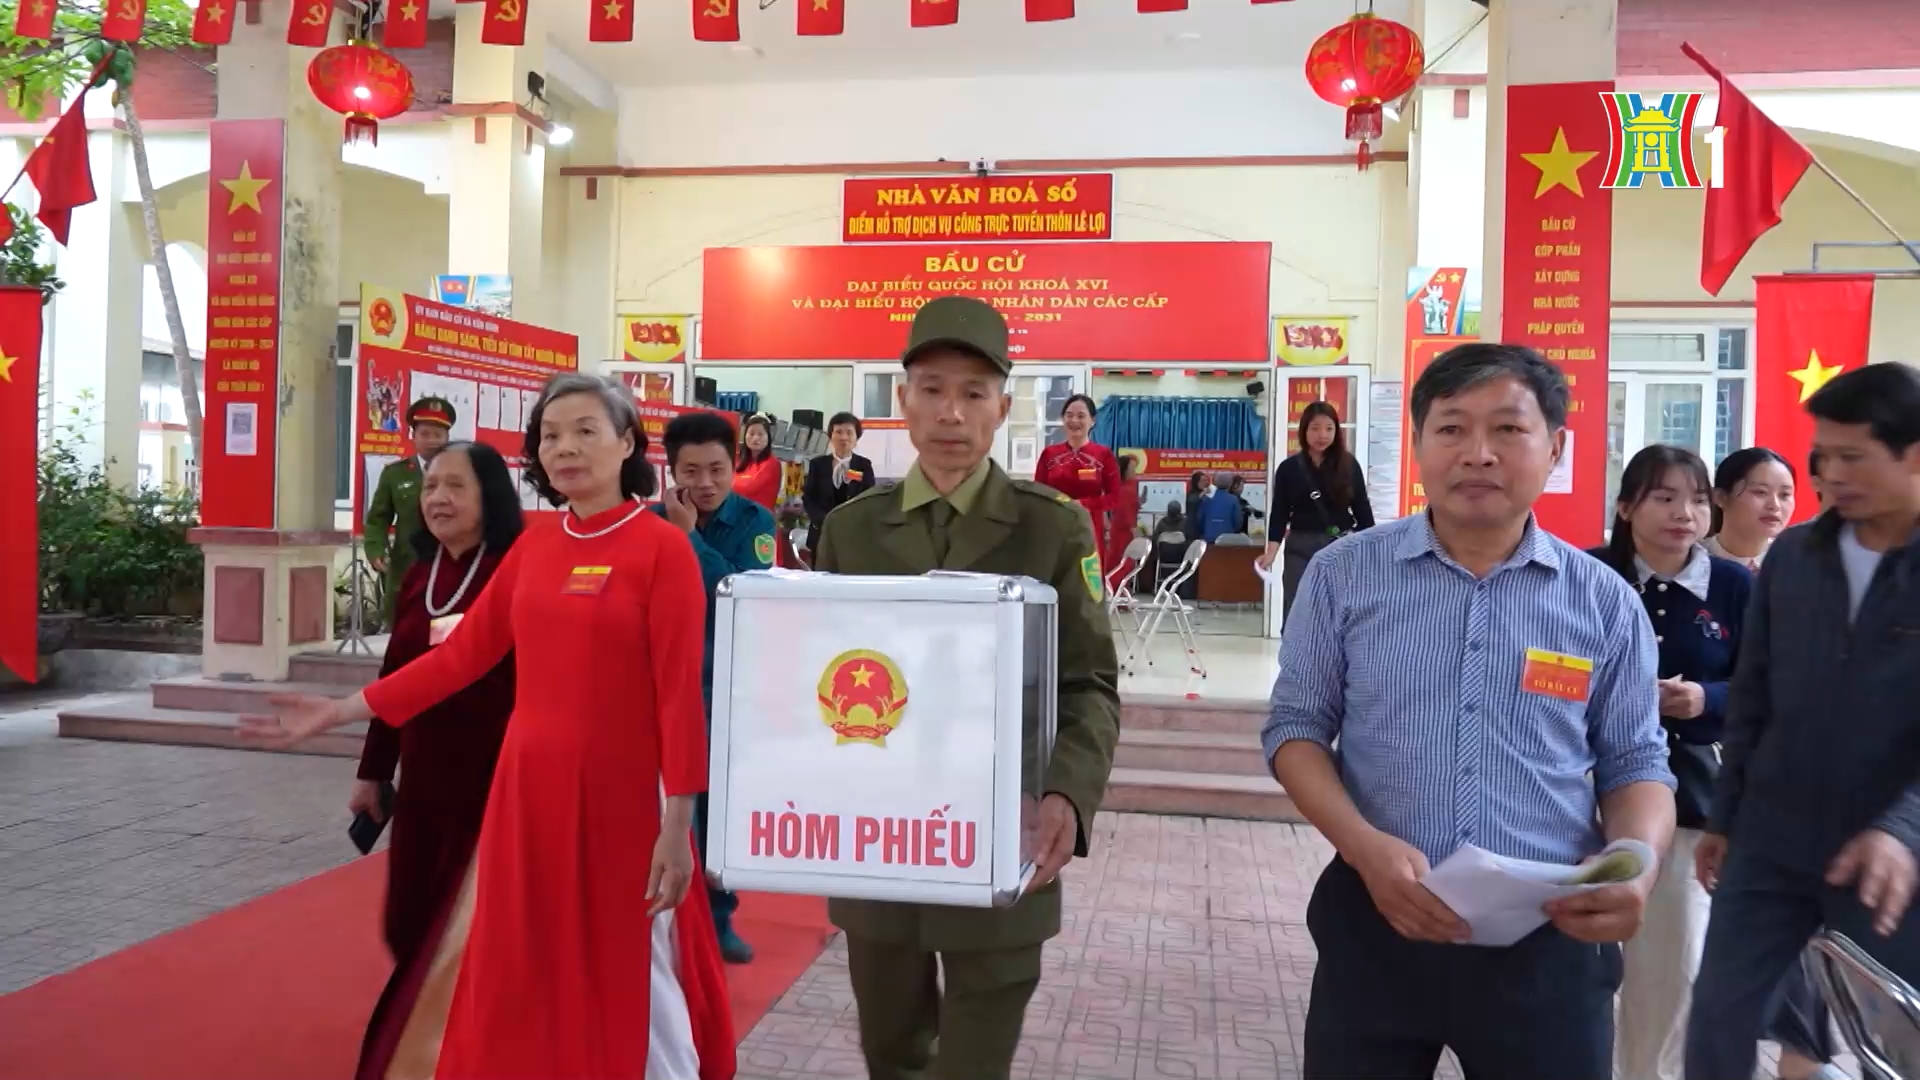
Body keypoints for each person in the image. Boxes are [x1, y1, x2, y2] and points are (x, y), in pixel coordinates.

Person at [241, 373, 734, 1080]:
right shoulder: (535, 547)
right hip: (526, 790)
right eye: (551, 435)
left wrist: (678, 823)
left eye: (585, 431)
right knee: (533, 958)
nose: (565, 448)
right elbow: (459, 659)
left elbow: (679, 696)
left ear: (627, 443)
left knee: (633, 961)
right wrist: (342, 709)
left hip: (624, 795)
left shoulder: (661, 549)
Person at [1262, 342, 1674, 1079]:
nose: (1478, 453)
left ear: (1555, 448)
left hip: (1549, 939)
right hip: (1377, 923)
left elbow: (1636, 760)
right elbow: (1295, 730)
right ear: (1419, 444)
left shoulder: (1604, 601)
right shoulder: (1344, 576)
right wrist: (1362, 846)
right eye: (1452, 428)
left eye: (1508, 429)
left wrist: (1636, 867)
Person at [811, 295, 1121, 1080]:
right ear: (904, 401)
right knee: (890, 1051)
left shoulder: (1051, 526)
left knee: (975, 1063)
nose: (952, 412)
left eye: (974, 392)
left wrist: (1069, 792)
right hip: (880, 841)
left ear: (1002, 409)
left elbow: (1088, 682)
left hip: (1003, 834)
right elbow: (817, 679)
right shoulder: (851, 529)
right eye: (933, 389)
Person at [1686, 363, 1920, 1080]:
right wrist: (1725, 817)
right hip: (1771, 839)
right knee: (1719, 1017)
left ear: (1914, 455)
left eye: (1854, 456)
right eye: (1824, 456)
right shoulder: (1795, 556)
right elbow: (1754, 695)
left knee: (1897, 1038)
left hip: (1888, 855)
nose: (1831, 474)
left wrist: (1902, 830)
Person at [1590, 446, 1836, 1080]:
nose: (1685, 513)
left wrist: (1706, 698)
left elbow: (1771, 683)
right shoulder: (1590, 575)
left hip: (1685, 802)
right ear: (1626, 506)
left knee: (1671, 968)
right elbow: (1540, 671)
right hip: (1575, 794)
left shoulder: (1733, 586)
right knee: (1575, 969)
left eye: (1697, 500)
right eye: (1665, 498)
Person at [351, 442, 524, 1078]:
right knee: (408, 918)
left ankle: (454, 1045)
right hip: (424, 779)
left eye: (455, 487)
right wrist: (374, 771)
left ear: (489, 497)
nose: (438, 499)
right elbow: (393, 679)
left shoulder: (514, 570)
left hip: (496, 778)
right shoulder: (419, 577)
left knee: (468, 926)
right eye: (430, 488)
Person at [655, 410, 778, 966]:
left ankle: (718, 919)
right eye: (691, 471)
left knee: (717, 810)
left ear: (734, 466)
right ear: (671, 471)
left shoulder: (755, 521)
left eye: (717, 470)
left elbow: (741, 592)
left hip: (725, 686)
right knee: (663, 810)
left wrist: (686, 540)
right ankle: (662, 922)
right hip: (662, 684)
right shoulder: (648, 521)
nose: (705, 483)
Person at [1259, 401, 1376, 624]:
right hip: (1300, 545)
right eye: (1315, 428)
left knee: (1336, 610)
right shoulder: (1289, 468)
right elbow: (1280, 512)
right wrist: (1271, 552)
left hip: (1339, 546)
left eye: (1329, 428)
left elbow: (1362, 508)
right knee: (1297, 608)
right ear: (1304, 430)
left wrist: (1370, 548)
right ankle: (1295, 646)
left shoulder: (1348, 465)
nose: (1322, 435)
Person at [365, 396, 456, 626]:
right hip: (406, 570)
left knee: (444, 635)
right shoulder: (395, 474)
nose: (431, 441)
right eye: (425, 434)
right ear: (413, 436)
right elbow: (378, 518)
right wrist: (376, 549)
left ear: (447, 439)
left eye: (438, 435)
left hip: (449, 570)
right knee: (404, 634)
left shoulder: (461, 475)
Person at [1033, 392, 1122, 554]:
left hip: (1089, 527)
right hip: (1055, 527)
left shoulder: (1104, 455)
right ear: (1063, 419)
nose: (1074, 420)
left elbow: (1114, 497)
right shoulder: (1049, 454)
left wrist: (1083, 504)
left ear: (1092, 421)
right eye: (1069, 415)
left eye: (1081, 416)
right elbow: (1037, 493)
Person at [1705, 447, 1796, 572]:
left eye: (1784, 495)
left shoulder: (1798, 564)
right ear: (1721, 497)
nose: (1775, 505)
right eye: (1760, 492)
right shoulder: (1690, 560)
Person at [802, 411, 876, 557]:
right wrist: (825, 522)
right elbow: (809, 497)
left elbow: (870, 498)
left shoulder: (863, 465)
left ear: (856, 437)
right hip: (822, 534)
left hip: (854, 535)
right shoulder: (817, 464)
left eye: (849, 432)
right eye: (838, 432)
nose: (844, 437)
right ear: (831, 436)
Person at [1103, 453, 1142, 575]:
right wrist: (1135, 533)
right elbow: (1126, 515)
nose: (1134, 472)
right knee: (1122, 566)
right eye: (1132, 469)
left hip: (1117, 531)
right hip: (1124, 535)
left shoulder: (1119, 489)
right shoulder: (1127, 491)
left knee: (1115, 564)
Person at [733, 412, 782, 511]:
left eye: (760, 434)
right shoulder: (739, 460)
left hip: (757, 518)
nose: (755, 438)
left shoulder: (772, 463)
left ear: (768, 437)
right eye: (751, 434)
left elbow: (747, 488)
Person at [1194, 470, 1245, 542]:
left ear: (1215, 483)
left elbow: (1200, 519)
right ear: (1230, 483)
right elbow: (1238, 522)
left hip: (1208, 539)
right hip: (1228, 539)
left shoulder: (1207, 499)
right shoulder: (1233, 500)